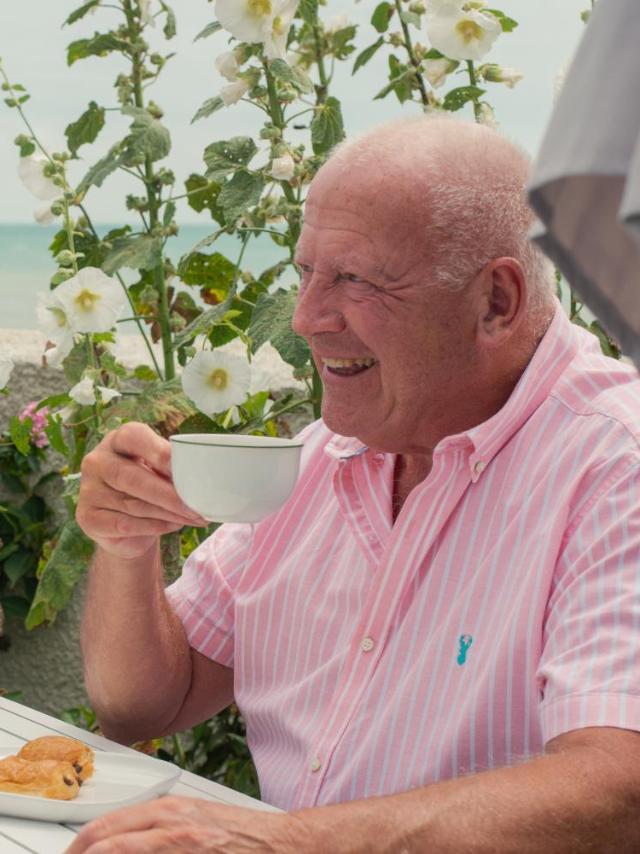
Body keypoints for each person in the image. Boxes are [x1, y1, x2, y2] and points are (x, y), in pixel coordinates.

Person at [72, 116, 640, 852]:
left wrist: (284, 843)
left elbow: (620, 788)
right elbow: (143, 702)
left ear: (496, 302)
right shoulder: (325, 455)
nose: (306, 319)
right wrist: (125, 541)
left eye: (355, 280)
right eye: (306, 273)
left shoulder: (614, 465)